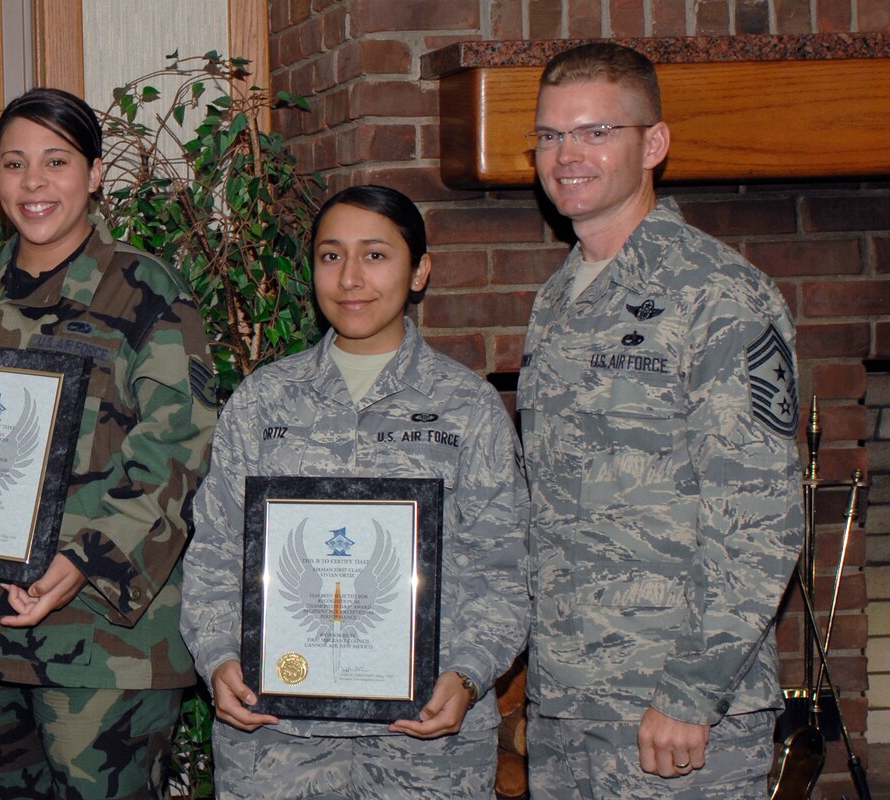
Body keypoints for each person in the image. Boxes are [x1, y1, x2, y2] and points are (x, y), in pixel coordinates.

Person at [0, 87, 218, 799]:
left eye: (56, 161)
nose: (32, 183)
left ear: (95, 174)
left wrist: (85, 560)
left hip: (104, 641)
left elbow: (179, 450)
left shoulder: (147, 293)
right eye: (14, 163)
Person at [179, 185, 530, 798]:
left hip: (423, 746)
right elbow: (212, 554)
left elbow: (505, 572)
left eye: (375, 255)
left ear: (419, 270)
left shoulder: (468, 408)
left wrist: (470, 676)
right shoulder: (263, 402)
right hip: (277, 743)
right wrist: (217, 659)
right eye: (330, 255)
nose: (349, 279)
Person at [519, 42, 803, 797]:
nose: (566, 155)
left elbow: (761, 518)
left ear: (654, 144)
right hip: (568, 706)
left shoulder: (719, 298)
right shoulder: (558, 301)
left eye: (595, 132)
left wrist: (689, 693)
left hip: (674, 716)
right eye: (549, 136)